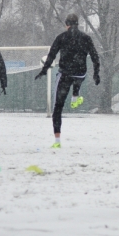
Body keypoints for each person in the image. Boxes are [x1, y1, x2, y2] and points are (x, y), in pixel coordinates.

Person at [35, 14, 100, 148]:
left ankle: (57, 141)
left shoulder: (62, 37)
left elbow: (52, 54)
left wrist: (44, 70)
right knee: (78, 79)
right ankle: (75, 95)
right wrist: (96, 73)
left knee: (57, 107)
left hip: (65, 73)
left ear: (67, 25)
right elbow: (94, 56)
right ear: (77, 23)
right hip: (80, 73)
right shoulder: (86, 38)